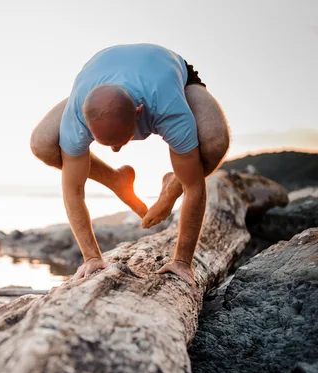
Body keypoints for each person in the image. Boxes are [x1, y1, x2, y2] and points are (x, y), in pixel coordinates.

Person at [30, 43, 230, 289]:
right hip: (99, 78)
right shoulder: (77, 116)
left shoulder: (168, 107)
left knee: (214, 142)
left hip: (167, 72)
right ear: (84, 116)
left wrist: (182, 261)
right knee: (42, 144)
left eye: (121, 141)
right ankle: (116, 179)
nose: (116, 150)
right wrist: (92, 257)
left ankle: (171, 185)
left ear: (139, 113)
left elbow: (195, 187)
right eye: (108, 144)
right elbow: (73, 190)